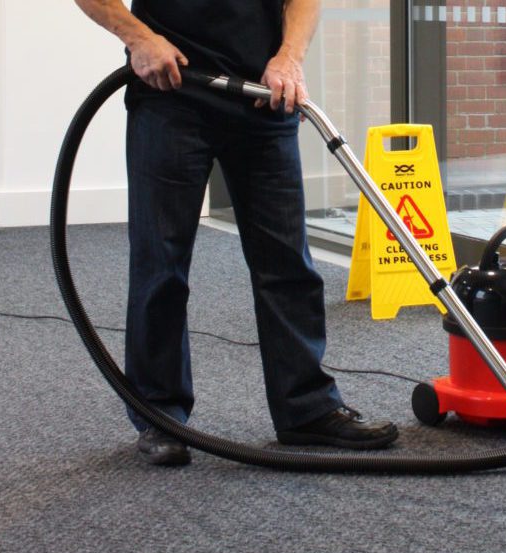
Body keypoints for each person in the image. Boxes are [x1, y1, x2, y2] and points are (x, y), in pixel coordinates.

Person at [75, 0, 398, 466]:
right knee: (160, 265)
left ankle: (307, 408)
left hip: (263, 96)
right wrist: (139, 38)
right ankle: (159, 413)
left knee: (288, 264)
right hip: (171, 95)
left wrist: (290, 56)